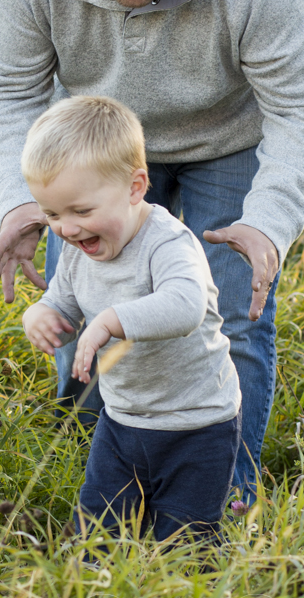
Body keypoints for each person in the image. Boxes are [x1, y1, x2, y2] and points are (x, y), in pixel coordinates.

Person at [0, 0, 304, 505]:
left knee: (229, 317)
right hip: (94, 144)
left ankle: (221, 493)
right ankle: (104, 477)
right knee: (85, 310)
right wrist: (20, 203)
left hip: (223, 141)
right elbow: (6, 88)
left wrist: (267, 223)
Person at [21, 95, 242, 543]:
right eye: (51, 214)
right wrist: (40, 313)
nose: (66, 228)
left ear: (135, 187)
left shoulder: (167, 243)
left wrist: (109, 321)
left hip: (196, 425)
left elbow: (185, 304)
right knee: (98, 533)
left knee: (184, 540)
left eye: (81, 211)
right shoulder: (77, 248)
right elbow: (62, 299)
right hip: (121, 421)